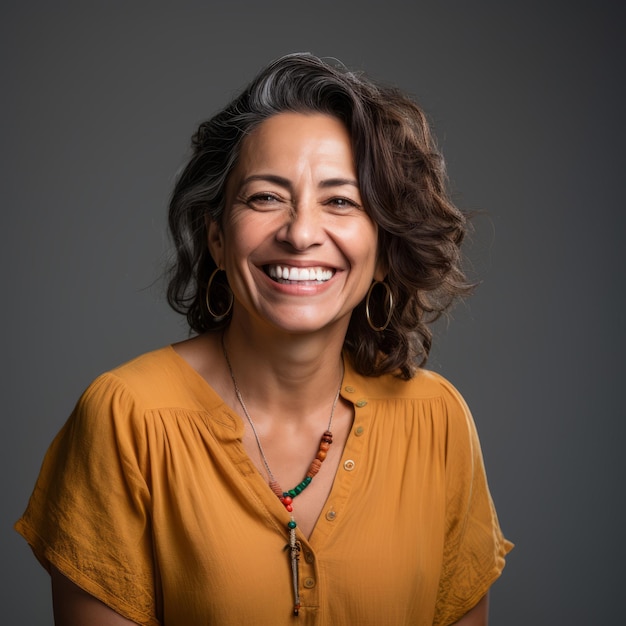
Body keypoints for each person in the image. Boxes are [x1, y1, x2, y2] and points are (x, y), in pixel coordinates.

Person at [16, 53, 512, 625]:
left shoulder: (438, 422)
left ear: (384, 251)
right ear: (218, 238)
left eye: (341, 201)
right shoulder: (128, 419)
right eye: (265, 197)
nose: (301, 233)